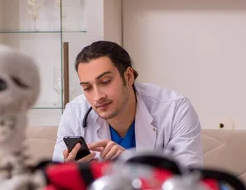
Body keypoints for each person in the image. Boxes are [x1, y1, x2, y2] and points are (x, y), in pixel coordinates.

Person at [51, 40, 203, 167]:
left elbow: (189, 181)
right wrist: (69, 173)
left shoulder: (175, 110)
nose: (97, 97)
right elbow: (54, 182)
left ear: (129, 76)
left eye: (105, 82)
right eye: (87, 88)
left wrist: (134, 165)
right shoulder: (74, 113)